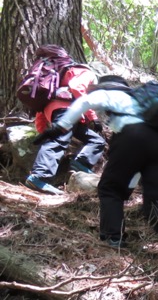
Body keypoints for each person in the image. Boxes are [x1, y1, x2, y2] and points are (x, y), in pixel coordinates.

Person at [47, 75, 158, 263]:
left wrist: (61, 125)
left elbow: (86, 101)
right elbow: (137, 165)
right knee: (153, 202)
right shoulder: (145, 107)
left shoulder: (115, 95)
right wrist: (127, 187)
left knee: (109, 189)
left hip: (133, 136)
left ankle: (112, 238)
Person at [25, 45, 105, 195]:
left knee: (97, 141)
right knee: (58, 141)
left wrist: (43, 130)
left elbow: (41, 107)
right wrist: (92, 116)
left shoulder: (55, 79)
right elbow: (76, 87)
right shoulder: (86, 72)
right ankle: (38, 177)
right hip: (66, 112)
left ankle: (81, 164)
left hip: (62, 114)